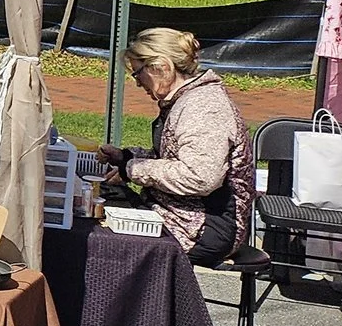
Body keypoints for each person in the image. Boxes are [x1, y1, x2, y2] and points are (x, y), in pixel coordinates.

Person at [100, 26, 254, 266]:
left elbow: (200, 176)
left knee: (105, 245)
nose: (138, 83)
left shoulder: (205, 107)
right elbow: (173, 157)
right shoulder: (185, 100)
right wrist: (125, 157)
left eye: (138, 73)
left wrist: (132, 169)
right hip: (178, 214)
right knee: (102, 206)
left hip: (204, 229)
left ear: (160, 67)